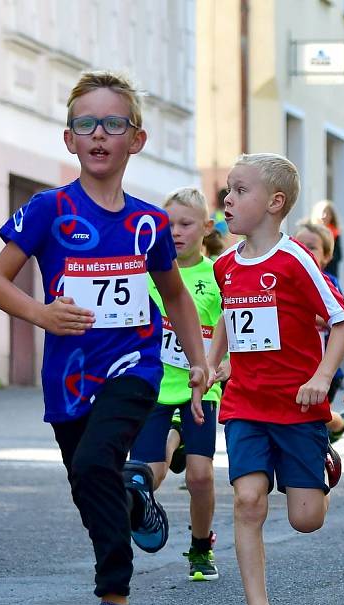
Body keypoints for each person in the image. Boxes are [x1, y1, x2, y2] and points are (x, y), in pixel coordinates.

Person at [0, 70, 208, 605]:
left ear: (137, 138)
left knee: (92, 461)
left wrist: (201, 363)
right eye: (87, 124)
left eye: (113, 123)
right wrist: (42, 314)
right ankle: (133, 502)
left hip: (135, 365)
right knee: (89, 481)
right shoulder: (48, 211)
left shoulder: (148, 223)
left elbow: (176, 296)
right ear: (69, 139)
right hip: (68, 378)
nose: (99, 134)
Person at [207, 153, 344, 605]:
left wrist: (321, 376)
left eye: (239, 191)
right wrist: (213, 362)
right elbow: (229, 318)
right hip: (245, 404)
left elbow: (342, 322)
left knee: (305, 519)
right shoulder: (225, 265)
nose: (227, 199)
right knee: (247, 502)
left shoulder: (295, 261)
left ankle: (320, 458)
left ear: (274, 203)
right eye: (227, 190)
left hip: (296, 406)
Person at [130, 187, 223, 581]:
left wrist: (221, 367)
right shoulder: (147, 271)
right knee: (149, 474)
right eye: (168, 226)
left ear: (206, 227)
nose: (176, 233)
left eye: (186, 224)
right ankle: (144, 507)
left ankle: (201, 547)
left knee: (200, 476)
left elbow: (229, 328)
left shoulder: (218, 275)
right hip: (154, 386)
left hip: (201, 387)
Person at [294, 221, 344, 442]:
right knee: (302, 418)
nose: (305, 252)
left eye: (312, 247)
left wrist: (297, 314)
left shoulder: (329, 283)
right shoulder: (286, 280)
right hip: (294, 365)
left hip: (325, 368)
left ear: (327, 257)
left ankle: (337, 426)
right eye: (300, 246)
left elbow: (335, 318)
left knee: (315, 417)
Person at [310, 199, 342, 280]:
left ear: (331, 216)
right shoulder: (309, 232)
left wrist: (326, 257)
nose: (324, 216)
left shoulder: (335, 233)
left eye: (327, 213)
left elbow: (339, 255)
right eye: (322, 212)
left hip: (329, 271)